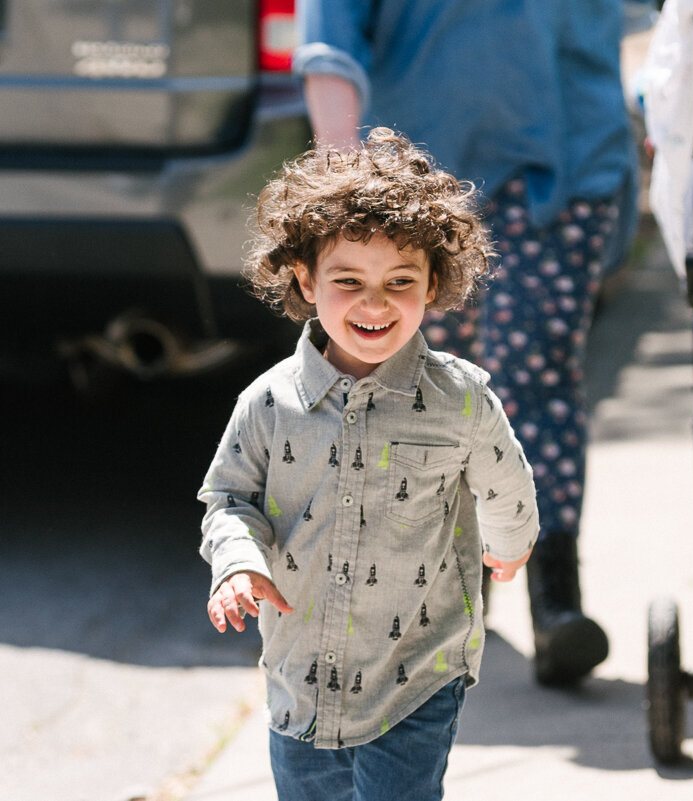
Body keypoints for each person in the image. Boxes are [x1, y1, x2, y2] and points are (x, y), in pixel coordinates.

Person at [292, 0, 640, 685]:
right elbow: (329, 38)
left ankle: (555, 596)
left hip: (566, 161)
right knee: (423, 394)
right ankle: (440, 592)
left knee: (535, 370)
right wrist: (344, 188)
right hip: (415, 185)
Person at [198, 128, 539, 801]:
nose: (375, 303)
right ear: (306, 278)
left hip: (417, 669)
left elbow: (505, 479)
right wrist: (236, 561)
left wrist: (510, 543)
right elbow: (229, 498)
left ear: (433, 282)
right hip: (299, 676)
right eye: (349, 280)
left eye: (400, 282)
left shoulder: (460, 398)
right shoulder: (269, 402)